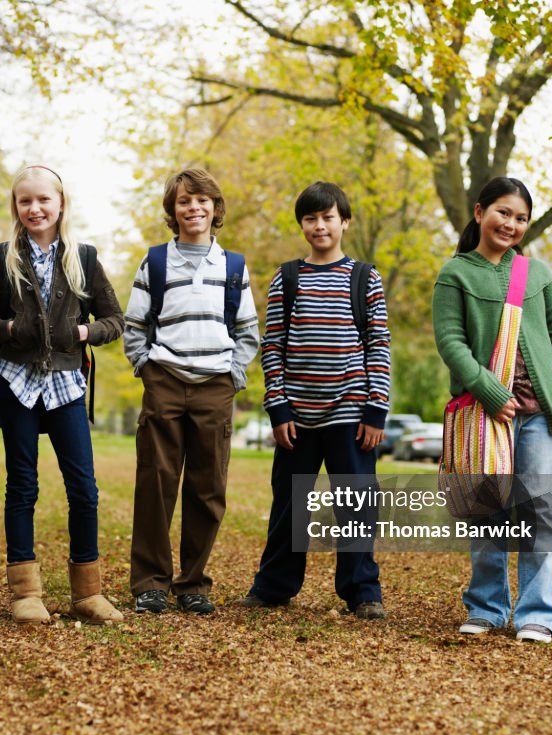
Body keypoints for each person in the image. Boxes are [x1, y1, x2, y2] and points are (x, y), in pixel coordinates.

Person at [0, 165, 124, 625]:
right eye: (24, 201)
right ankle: (25, 594)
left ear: (60, 204)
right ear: (16, 207)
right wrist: (10, 327)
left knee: (84, 489)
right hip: (16, 383)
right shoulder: (2, 258)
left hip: (66, 386)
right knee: (22, 486)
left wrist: (83, 331)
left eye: (43, 200)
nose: (34, 208)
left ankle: (88, 594)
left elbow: (116, 321)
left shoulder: (85, 258)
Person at [432, 176, 552, 644]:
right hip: (485, 415)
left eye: (521, 218)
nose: (511, 224)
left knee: (540, 511)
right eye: (503, 212)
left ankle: (538, 613)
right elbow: (451, 343)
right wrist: (489, 392)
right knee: (488, 510)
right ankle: (487, 607)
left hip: (541, 416)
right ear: (479, 213)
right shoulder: (454, 273)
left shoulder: (535, 275)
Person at [235, 182, 390, 619]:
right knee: (289, 504)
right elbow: (274, 344)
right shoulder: (288, 277)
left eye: (327, 217)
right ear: (302, 224)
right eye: (310, 218)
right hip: (297, 415)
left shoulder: (365, 277)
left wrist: (376, 407)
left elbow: (378, 343)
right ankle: (273, 587)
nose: (319, 226)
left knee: (356, 504)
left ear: (345, 221)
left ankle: (362, 591)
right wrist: (278, 406)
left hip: (352, 412)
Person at [124, 167, 259, 615]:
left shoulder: (233, 266)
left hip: (214, 387)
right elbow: (135, 325)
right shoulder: (156, 262)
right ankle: (150, 584)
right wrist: (147, 367)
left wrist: (233, 375)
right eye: (184, 201)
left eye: (202, 199)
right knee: (156, 483)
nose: (193, 207)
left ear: (215, 208)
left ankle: (193, 583)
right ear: (173, 211)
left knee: (207, 488)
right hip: (164, 380)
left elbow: (247, 331)